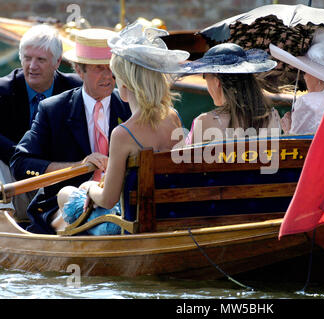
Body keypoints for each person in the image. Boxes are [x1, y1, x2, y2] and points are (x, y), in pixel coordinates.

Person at [50, 22, 188, 235]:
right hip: (166, 213)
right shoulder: (174, 118)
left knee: (66, 193)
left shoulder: (123, 134)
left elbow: (108, 198)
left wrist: (89, 188)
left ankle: (77, 248)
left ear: (124, 87)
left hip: (128, 226)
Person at [10, 28, 132, 234]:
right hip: (62, 203)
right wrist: (79, 165)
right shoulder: (53, 109)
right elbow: (21, 163)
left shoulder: (130, 106)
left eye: (112, 68)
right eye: (98, 69)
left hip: (123, 203)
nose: (108, 76)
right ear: (78, 69)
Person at [0, 24, 82, 218]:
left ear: (57, 62)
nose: (32, 66)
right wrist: (31, 163)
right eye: (27, 58)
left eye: (41, 60)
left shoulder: (76, 90)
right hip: (14, 178)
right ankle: (4, 222)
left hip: (60, 179)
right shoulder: (3, 90)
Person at [181, 43, 281, 144]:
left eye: (205, 77)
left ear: (217, 82)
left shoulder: (204, 122)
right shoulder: (273, 116)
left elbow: (187, 157)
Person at [269, 28, 324, 135]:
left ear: (318, 77)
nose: (305, 77)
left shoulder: (308, 102)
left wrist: (288, 130)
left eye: (306, 72)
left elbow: (296, 145)